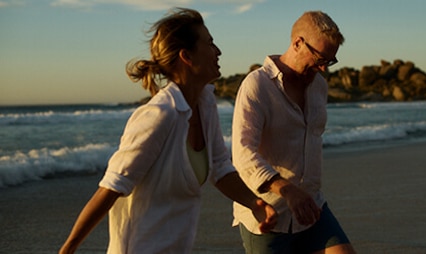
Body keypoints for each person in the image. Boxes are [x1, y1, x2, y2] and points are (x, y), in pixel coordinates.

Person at [59, 8, 277, 254]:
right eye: (210, 43)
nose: (218, 51)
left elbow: (220, 168)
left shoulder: (205, 103)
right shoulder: (159, 115)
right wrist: (69, 248)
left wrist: (254, 203)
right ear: (187, 56)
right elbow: (112, 187)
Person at [231, 11, 356, 254]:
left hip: (311, 207)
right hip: (267, 215)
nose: (323, 69)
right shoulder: (256, 85)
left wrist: (302, 194)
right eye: (320, 59)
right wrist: (287, 190)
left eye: (329, 62)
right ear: (298, 43)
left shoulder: (319, 85)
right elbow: (243, 153)